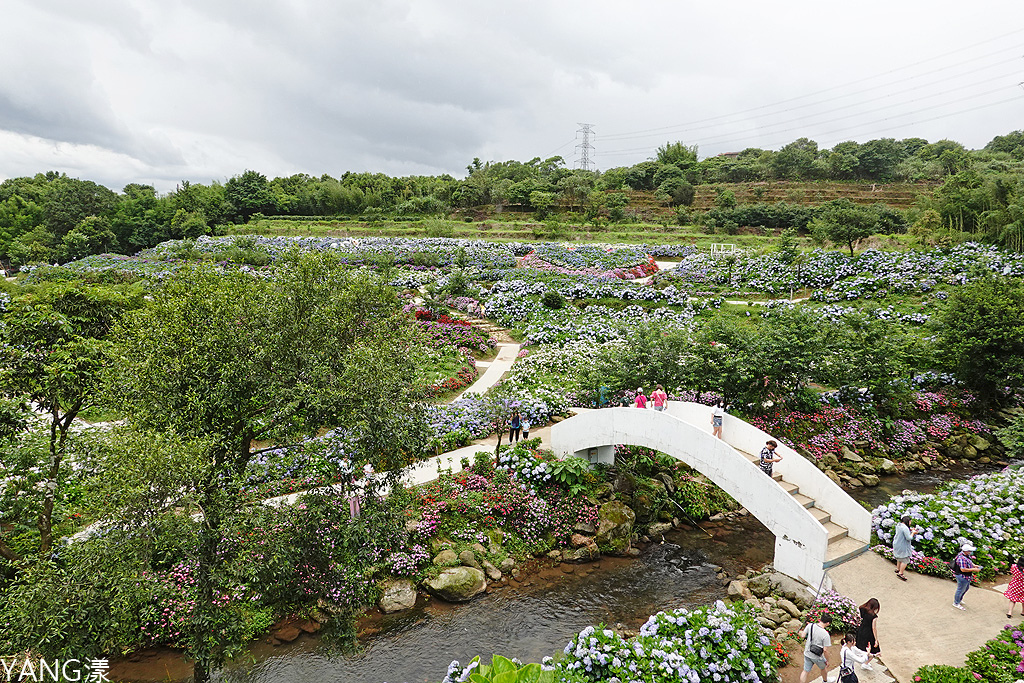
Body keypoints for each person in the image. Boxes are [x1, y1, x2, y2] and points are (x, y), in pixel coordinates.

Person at [799, 613, 831, 683]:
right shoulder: (825, 634)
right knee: (823, 668)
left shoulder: (810, 625)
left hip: (807, 652)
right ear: (828, 623)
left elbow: (802, 636)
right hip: (817, 656)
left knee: (805, 671)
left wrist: (800, 632)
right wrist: (827, 661)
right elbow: (825, 650)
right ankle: (825, 681)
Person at [953, 543, 982, 610]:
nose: (971, 552)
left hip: (966, 576)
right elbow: (963, 569)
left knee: (966, 588)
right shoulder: (961, 558)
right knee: (961, 589)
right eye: (970, 551)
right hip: (962, 576)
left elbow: (969, 561)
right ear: (966, 551)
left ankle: (959, 600)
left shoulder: (964, 554)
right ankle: (956, 603)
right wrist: (974, 569)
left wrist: (974, 565)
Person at [854, 598, 881, 670]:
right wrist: (876, 639)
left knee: (862, 647)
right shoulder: (873, 616)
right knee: (874, 650)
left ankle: (864, 660)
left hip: (861, 630)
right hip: (868, 633)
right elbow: (874, 628)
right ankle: (865, 663)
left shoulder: (862, 609)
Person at [892, 515, 920, 581]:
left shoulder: (899, 525)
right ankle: (900, 573)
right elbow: (909, 538)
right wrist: (913, 533)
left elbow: (904, 530)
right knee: (905, 560)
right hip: (902, 545)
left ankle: (898, 569)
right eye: (910, 521)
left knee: (899, 557)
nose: (910, 523)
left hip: (897, 543)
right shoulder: (905, 528)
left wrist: (910, 529)